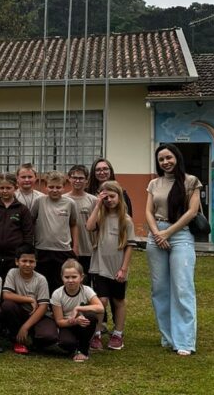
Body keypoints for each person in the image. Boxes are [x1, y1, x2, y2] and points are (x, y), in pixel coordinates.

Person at [145, 143, 202, 356]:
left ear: (176, 157)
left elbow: (192, 211)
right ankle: (168, 337)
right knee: (160, 289)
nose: (165, 162)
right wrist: (157, 234)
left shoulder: (191, 181)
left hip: (180, 235)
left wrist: (167, 234)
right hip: (155, 235)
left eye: (168, 157)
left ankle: (185, 341)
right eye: (161, 159)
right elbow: (149, 212)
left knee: (182, 287)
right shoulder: (154, 183)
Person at [86, 181, 137, 351]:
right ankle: (97, 333)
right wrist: (97, 205)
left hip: (117, 268)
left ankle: (118, 333)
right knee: (101, 300)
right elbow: (89, 226)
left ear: (119, 197)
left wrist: (124, 268)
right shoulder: (100, 216)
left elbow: (129, 246)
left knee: (118, 300)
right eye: (105, 197)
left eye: (112, 196)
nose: (109, 200)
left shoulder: (126, 220)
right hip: (100, 266)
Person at [1, 244, 56, 355]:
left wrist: (25, 327)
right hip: (20, 313)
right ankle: (17, 340)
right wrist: (29, 299)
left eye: (31, 261)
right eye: (24, 260)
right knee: (7, 305)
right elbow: (6, 295)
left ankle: (33, 339)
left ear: (35, 263)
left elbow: (43, 307)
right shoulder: (12, 273)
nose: (27, 264)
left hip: (39, 315)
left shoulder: (41, 279)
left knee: (49, 336)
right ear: (17, 261)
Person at [0, 173, 34, 278]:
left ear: (16, 188)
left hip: (14, 257)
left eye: (8, 188)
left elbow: (28, 234)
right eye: (2, 188)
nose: (5, 191)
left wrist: (22, 254)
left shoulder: (22, 209)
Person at [33, 171, 79, 293]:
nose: (54, 190)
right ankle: (44, 309)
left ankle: (59, 309)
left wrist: (75, 247)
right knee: (43, 283)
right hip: (42, 249)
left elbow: (73, 225)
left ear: (64, 187)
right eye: (51, 187)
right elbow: (31, 222)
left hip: (63, 250)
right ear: (45, 187)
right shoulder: (39, 201)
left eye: (58, 187)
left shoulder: (70, 203)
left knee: (60, 282)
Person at [50, 259, 104, 362]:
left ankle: (83, 351)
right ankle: (75, 345)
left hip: (83, 324)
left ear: (81, 277)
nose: (70, 280)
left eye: (74, 277)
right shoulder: (57, 294)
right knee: (66, 344)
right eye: (67, 277)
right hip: (67, 324)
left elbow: (100, 307)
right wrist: (75, 321)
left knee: (91, 317)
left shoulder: (86, 290)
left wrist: (78, 308)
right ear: (62, 277)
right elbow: (59, 321)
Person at [64, 164, 98, 282]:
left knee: (86, 282)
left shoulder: (93, 200)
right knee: (70, 281)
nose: (77, 181)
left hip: (88, 249)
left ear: (87, 180)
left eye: (81, 178)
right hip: (67, 248)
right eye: (74, 177)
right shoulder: (63, 199)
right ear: (69, 179)